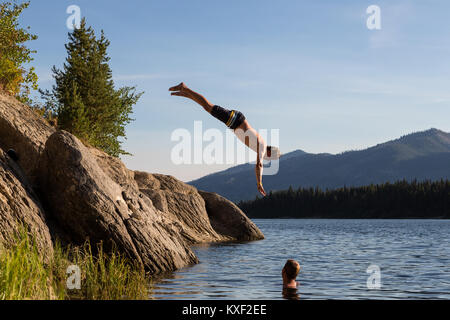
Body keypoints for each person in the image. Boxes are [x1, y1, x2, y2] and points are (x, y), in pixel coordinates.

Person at [169, 82, 280, 196]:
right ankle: (185, 88)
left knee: (207, 107)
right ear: (270, 152)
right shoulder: (262, 146)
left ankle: (185, 92)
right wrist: (259, 182)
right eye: (270, 158)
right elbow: (259, 165)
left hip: (235, 121)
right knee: (208, 106)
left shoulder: (260, 146)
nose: (268, 159)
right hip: (236, 120)